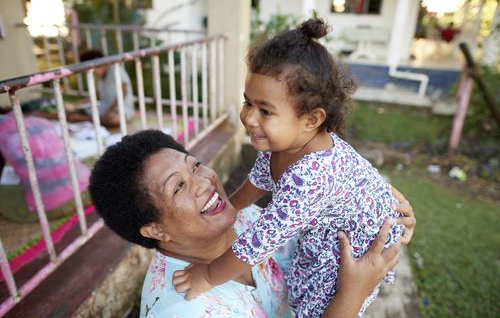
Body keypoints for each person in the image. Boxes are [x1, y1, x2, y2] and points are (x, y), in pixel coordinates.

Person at [173, 18, 405, 317]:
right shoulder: (284, 142)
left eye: (265, 110)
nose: (250, 118)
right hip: (336, 225)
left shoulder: (310, 177)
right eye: (248, 103)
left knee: (320, 306)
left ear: (311, 119)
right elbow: (259, 180)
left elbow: (259, 242)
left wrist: (207, 275)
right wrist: (229, 210)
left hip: (356, 245)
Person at [88, 130, 416, 317]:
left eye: (196, 166)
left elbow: (324, 235)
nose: (204, 182)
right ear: (155, 230)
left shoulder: (246, 220)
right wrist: (351, 295)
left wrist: (383, 220)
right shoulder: (185, 311)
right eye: (178, 187)